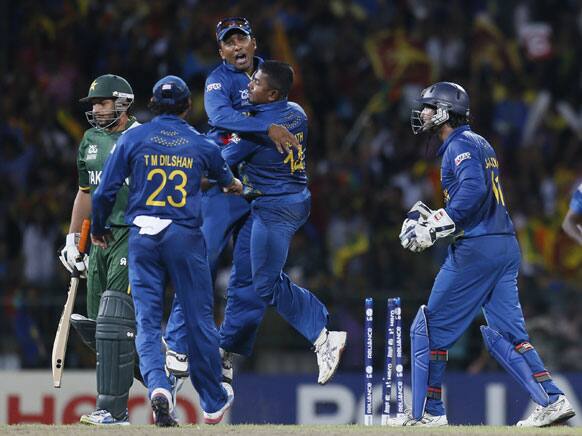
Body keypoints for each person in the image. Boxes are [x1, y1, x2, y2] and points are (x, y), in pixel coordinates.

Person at [399, 81, 575, 427]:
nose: (423, 114)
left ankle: (427, 413)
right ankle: (552, 399)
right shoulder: (479, 141)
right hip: (504, 244)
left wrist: (439, 221)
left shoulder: (457, 145)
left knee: (429, 329)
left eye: (430, 107)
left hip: (477, 247)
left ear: (446, 112)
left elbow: (473, 190)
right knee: (509, 334)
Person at [91, 75, 241, 426]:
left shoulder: (134, 138)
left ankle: (158, 386)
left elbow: (103, 193)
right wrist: (233, 184)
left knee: (146, 320)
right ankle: (212, 398)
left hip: (142, 236)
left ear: (154, 105)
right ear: (189, 107)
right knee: (199, 319)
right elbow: (226, 179)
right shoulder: (201, 143)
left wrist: (98, 228)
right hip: (184, 238)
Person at [163, 16, 300, 382]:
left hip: (260, 188)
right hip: (224, 184)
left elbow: (288, 117)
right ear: (220, 51)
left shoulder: (270, 76)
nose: (237, 47)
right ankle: (176, 341)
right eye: (229, 43)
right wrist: (265, 127)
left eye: (243, 40)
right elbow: (220, 115)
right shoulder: (218, 80)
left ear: (255, 43)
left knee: (253, 275)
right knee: (200, 259)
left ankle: (227, 350)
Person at [221, 60, 347, 384]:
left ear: (272, 93)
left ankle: (322, 335)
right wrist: (246, 185)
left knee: (265, 284)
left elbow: (216, 161)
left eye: (257, 83)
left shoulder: (255, 130)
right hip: (292, 197)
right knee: (245, 271)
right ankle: (224, 349)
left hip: (275, 209)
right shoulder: (297, 112)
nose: (250, 85)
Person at [58, 74, 139, 426]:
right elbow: (85, 193)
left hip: (130, 234)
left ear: (122, 103)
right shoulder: (89, 139)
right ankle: (157, 377)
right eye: (93, 104)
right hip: (97, 242)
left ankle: (113, 411)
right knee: (97, 326)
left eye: (102, 103)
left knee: (113, 322)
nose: (96, 109)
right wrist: (72, 238)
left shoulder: (140, 137)